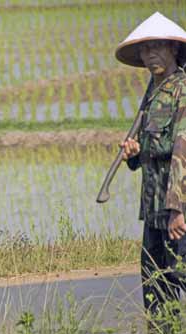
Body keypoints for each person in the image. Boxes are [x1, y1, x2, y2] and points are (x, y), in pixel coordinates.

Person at [117, 11, 186, 326]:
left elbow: (182, 151)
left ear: (173, 49)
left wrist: (177, 209)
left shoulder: (181, 90)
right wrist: (134, 152)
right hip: (153, 210)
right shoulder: (152, 94)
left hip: (177, 211)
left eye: (157, 46)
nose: (150, 54)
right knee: (155, 289)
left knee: (178, 277)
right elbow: (149, 152)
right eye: (145, 49)